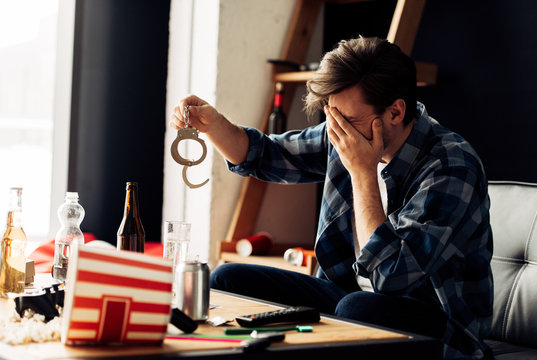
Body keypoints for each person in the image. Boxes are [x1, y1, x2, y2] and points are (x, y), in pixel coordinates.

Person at [170, 36, 493, 360]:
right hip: (348, 296)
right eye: (332, 116)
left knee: (356, 307)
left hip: (440, 329)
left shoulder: (451, 166)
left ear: (395, 111)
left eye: (347, 120)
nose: (336, 129)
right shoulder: (346, 130)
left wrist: (362, 173)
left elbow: (391, 277)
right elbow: (266, 155)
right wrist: (211, 125)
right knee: (227, 277)